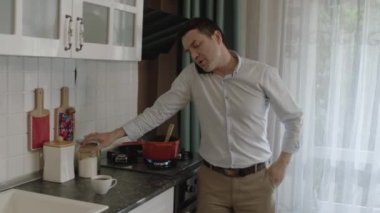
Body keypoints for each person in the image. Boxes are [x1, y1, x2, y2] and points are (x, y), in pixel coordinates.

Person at [82, 17, 303, 213]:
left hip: (257, 182)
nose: (195, 55)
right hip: (212, 183)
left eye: (197, 45)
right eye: (190, 51)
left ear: (217, 37)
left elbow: (293, 118)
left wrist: (282, 164)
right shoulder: (191, 77)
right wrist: (115, 134)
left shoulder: (262, 74)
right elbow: (159, 111)